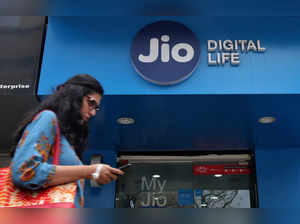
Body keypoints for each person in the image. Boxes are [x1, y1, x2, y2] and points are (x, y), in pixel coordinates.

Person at [10, 74, 124, 208]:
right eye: (91, 103)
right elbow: (24, 171)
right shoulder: (48, 118)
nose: (93, 113)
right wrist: (89, 171)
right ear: (74, 95)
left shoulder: (65, 139)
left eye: (96, 108)